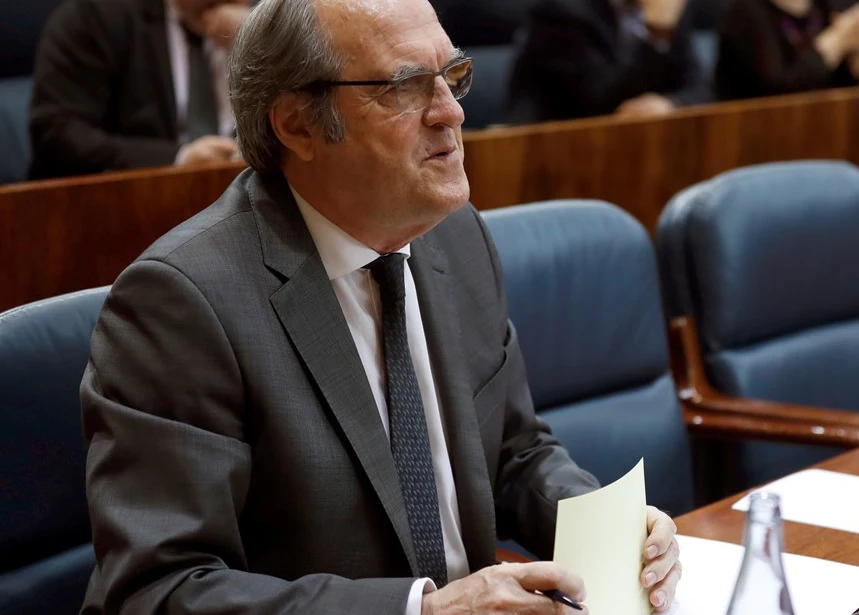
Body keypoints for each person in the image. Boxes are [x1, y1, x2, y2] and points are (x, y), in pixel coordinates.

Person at [79, 0, 682, 613]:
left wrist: (614, 532)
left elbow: (514, 453)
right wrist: (423, 610)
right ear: (297, 125)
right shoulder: (182, 303)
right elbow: (158, 589)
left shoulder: (455, 236)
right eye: (404, 87)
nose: (452, 112)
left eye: (453, 77)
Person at [28, 0, 250, 180]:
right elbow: (58, 132)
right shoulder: (96, 16)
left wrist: (257, 42)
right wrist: (179, 159)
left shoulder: (258, 20)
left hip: (240, 196)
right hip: (124, 203)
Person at [503, 0, 710, 124]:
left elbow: (700, 87)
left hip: (637, 146)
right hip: (549, 149)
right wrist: (655, 34)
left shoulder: (667, 7)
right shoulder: (562, 8)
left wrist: (671, 103)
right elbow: (597, 99)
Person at [715, 0, 859, 100]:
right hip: (754, 140)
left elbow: (838, 92)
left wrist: (857, 54)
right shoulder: (745, 14)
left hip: (821, 131)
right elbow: (779, 94)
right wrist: (835, 41)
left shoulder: (823, 7)